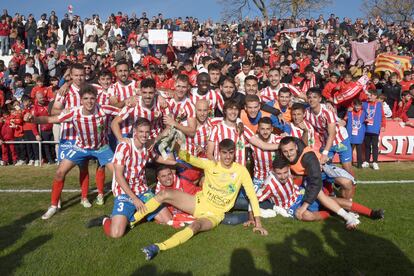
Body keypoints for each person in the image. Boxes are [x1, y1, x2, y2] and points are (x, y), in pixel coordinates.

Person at [132, 138, 268, 260]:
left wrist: (258, 223)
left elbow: (252, 196)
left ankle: (158, 247)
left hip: (214, 214)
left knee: (195, 226)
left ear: (234, 153)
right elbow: (189, 158)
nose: (227, 156)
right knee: (164, 194)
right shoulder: (211, 164)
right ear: (219, 153)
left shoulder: (241, 171)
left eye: (230, 153)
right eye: (224, 153)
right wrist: (176, 147)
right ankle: (132, 221)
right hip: (198, 203)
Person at [27, 84, 119, 219]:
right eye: (86, 98)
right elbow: (50, 119)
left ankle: (124, 203)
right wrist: (33, 119)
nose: (89, 101)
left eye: (92, 98)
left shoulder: (104, 109)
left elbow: (123, 112)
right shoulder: (73, 112)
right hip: (80, 148)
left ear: (96, 99)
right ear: (81, 100)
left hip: (101, 148)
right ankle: (53, 206)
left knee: (119, 173)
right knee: (59, 172)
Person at [278, 136, 360, 228]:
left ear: (296, 147)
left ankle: (347, 211)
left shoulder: (307, 156)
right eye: (285, 151)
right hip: (309, 175)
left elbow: (315, 183)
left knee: (347, 182)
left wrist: (304, 206)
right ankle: (342, 212)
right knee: (319, 199)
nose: (288, 154)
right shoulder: (285, 150)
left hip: (323, 168)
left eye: (291, 150)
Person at [305, 87, 354, 176]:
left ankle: (352, 185)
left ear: (320, 99)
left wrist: (325, 153)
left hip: (340, 139)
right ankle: (330, 188)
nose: (311, 100)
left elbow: (332, 134)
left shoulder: (327, 112)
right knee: (325, 169)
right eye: (309, 97)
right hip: (325, 142)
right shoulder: (306, 112)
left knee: (347, 168)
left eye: (314, 97)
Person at [362, 90, 386, 170]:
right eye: (368, 95)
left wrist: (383, 125)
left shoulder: (379, 104)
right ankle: (367, 161)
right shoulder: (365, 104)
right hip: (367, 128)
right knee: (367, 146)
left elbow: (383, 116)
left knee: (375, 146)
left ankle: (375, 162)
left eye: (371, 95)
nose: (369, 97)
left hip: (375, 128)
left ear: (375, 96)